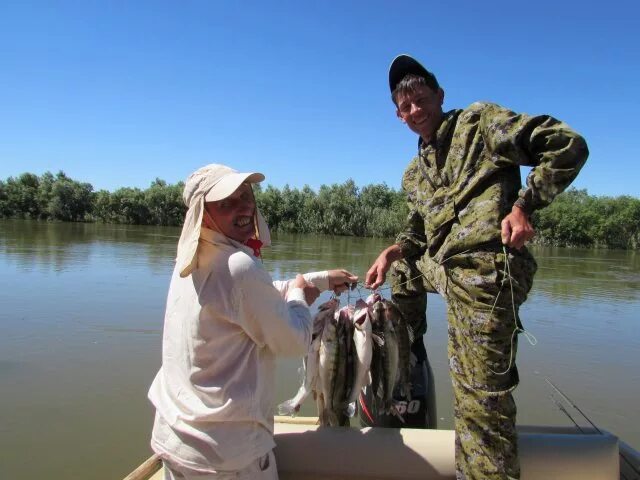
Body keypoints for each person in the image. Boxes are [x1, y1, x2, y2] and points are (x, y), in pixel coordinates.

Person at [365, 55, 588, 480]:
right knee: (404, 271)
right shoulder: (414, 173)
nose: (415, 110)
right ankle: (410, 358)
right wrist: (393, 251)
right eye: (405, 106)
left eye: (421, 99)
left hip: (487, 273)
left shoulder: (479, 123)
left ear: (440, 96)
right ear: (397, 115)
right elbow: (418, 226)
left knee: (479, 406)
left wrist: (524, 206)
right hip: (446, 269)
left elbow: (566, 144)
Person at [148, 163, 358, 480]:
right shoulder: (239, 267)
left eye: (245, 195)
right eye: (227, 202)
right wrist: (299, 295)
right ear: (203, 213)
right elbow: (295, 340)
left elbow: (247, 300)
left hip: (177, 441)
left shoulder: (191, 257)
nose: (244, 206)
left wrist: (319, 280)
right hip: (227, 458)